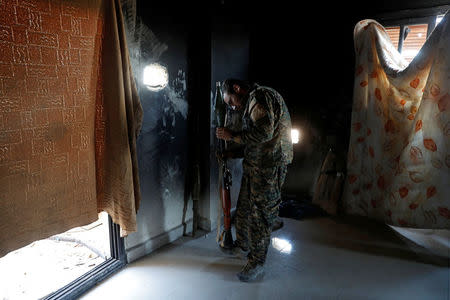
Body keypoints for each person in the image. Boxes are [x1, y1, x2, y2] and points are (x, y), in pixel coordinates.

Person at [216, 78, 293, 282]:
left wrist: (232, 136)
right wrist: (232, 153)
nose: (233, 106)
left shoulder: (261, 97)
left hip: (269, 167)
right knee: (244, 209)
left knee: (260, 216)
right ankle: (243, 246)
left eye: (231, 101)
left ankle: (257, 263)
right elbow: (255, 141)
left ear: (237, 88)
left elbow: (264, 133)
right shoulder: (251, 100)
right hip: (255, 165)